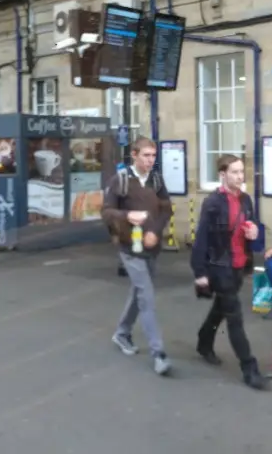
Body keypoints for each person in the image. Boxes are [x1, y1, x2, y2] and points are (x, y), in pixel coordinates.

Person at [191, 154, 268, 390]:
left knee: (220, 310)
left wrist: (254, 231)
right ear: (222, 175)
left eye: (241, 171)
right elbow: (202, 237)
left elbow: (252, 226)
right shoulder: (213, 202)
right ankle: (249, 367)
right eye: (234, 172)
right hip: (219, 267)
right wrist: (200, 271)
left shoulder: (245, 200)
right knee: (235, 317)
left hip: (239, 264)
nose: (240, 176)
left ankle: (204, 342)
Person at [101, 137, 174, 376]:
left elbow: (166, 209)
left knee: (138, 291)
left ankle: (122, 333)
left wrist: (155, 231)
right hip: (129, 247)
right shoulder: (120, 180)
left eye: (153, 156)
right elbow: (106, 211)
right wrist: (126, 215)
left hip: (151, 246)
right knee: (147, 296)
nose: (150, 160)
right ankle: (158, 353)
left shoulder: (156, 179)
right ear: (134, 155)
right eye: (146, 155)